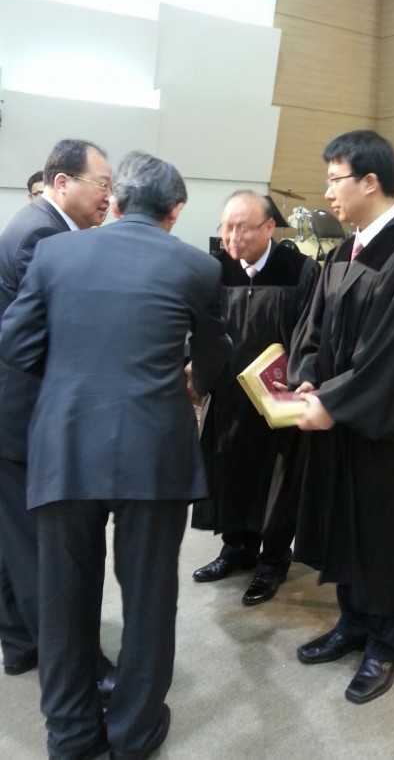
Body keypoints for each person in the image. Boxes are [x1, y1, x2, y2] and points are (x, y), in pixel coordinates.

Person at [0, 151, 230, 759]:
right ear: (175, 211)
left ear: (119, 201)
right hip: (153, 452)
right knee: (150, 597)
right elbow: (214, 355)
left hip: (66, 445)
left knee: (63, 597)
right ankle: (133, 732)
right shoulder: (198, 267)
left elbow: (14, 344)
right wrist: (193, 380)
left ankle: (71, 735)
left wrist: (73, 378)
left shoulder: (55, 253)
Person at [287, 129, 394, 704]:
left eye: (336, 179)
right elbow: (312, 330)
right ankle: (353, 622)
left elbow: (391, 360)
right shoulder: (343, 254)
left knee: (382, 530)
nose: (328, 192)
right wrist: (308, 376)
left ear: (370, 182)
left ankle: (388, 639)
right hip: (340, 423)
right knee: (344, 521)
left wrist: (332, 402)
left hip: (383, 430)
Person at [0, 139, 114, 689]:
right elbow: (55, 337)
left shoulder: (36, 225)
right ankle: (73, 669)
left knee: (14, 542)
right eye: (102, 185)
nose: (108, 197)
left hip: (13, 414)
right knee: (43, 553)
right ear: (62, 182)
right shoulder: (42, 237)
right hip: (24, 418)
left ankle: (21, 644)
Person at [191, 190, 319, 605]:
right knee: (231, 470)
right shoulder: (216, 270)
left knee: (278, 480)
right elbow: (202, 329)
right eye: (226, 227)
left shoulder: (299, 271)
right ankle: (237, 549)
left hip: (277, 398)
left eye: (242, 228)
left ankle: (273, 561)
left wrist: (298, 378)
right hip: (229, 395)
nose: (232, 237)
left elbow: (312, 333)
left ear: (269, 227)